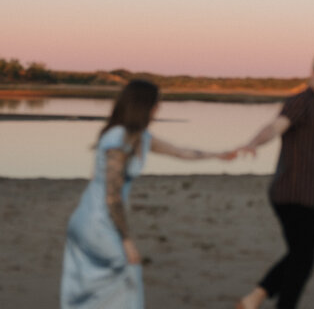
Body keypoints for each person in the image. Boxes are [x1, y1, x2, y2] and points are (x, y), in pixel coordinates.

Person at [60, 78, 234, 309]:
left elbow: (180, 152)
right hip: (95, 223)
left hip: (104, 221)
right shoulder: (117, 138)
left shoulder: (141, 136)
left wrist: (218, 155)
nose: (158, 108)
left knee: (112, 289)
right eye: (155, 103)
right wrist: (126, 240)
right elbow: (112, 196)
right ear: (144, 105)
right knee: (124, 280)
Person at [234, 54, 314, 309]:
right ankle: (259, 298)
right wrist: (254, 142)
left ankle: (255, 297)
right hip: (295, 194)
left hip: (309, 194)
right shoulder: (302, 101)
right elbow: (276, 126)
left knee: (300, 257)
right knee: (302, 260)